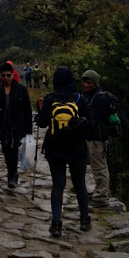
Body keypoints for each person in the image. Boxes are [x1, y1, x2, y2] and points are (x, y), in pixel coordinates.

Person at [36, 66, 91, 237]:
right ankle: (84, 219)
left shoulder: (50, 99)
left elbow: (42, 123)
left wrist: (39, 111)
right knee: (80, 184)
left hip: (55, 148)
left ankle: (57, 223)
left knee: (58, 185)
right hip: (77, 148)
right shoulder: (80, 99)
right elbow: (90, 124)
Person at [0, 62, 32, 188]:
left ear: (13, 75)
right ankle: (11, 171)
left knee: (13, 149)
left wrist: (28, 130)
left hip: (16, 125)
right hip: (2, 125)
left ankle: (12, 174)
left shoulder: (21, 90)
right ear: (0, 76)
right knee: (6, 149)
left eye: (8, 75)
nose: (6, 78)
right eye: (4, 76)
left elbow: (27, 110)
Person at [82, 69, 114, 208]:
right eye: (84, 82)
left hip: (97, 138)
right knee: (98, 167)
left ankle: (101, 196)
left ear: (95, 83)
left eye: (89, 82)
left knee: (99, 167)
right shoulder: (93, 96)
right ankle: (101, 192)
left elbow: (96, 119)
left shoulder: (98, 98)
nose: (86, 85)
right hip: (95, 137)